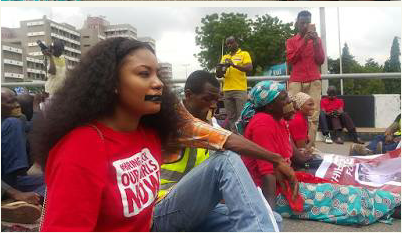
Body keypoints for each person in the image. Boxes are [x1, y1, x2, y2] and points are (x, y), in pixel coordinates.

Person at [30, 38, 297, 231]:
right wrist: (276, 159)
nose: (158, 83)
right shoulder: (80, 148)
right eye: (144, 74)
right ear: (110, 83)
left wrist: (277, 160)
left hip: (158, 220)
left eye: (158, 74)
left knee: (271, 219)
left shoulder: (151, 127)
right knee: (230, 169)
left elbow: (218, 137)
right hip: (165, 214)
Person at [237, 81, 400, 226]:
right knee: (346, 198)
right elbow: (267, 174)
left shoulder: (278, 121)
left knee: (339, 189)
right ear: (269, 105)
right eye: (283, 98)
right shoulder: (262, 123)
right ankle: (391, 206)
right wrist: (269, 218)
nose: (289, 101)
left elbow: (295, 157)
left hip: (285, 182)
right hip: (271, 193)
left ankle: (390, 204)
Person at [155, 70, 283, 231]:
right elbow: (227, 140)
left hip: (193, 206)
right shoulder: (175, 121)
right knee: (226, 157)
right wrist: (277, 159)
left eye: (217, 99)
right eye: (207, 99)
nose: (214, 105)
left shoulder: (210, 123)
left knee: (272, 220)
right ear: (188, 95)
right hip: (163, 207)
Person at [1, 87, 44, 224]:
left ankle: (15, 205)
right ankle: (13, 200)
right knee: (13, 123)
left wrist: (36, 106)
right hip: (7, 184)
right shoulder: (11, 123)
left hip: (12, 181)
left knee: (57, 179)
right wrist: (15, 193)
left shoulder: (18, 119)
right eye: (10, 102)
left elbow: (36, 127)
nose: (16, 105)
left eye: (16, 100)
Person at [286, 10, 325, 148]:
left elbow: (320, 60)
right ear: (297, 23)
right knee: (290, 112)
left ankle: (310, 150)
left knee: (313, 116)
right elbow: (291, 59)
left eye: (307, 22)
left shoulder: (317, 40)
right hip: (296, 80)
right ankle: (292, 149)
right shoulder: (290, 41)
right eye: (302, 23)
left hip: (313, 79)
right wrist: (304, 41)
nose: (305, 25)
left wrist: (315, 43)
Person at [216, 36, 252, 132]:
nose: (229, 45)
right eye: (228, 44)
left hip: (240, 89)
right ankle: (235, 137)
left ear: (237, 43)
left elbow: (249, 68)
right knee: (231, 117)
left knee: (242, 115)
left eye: (231, 42)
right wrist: (219, 69)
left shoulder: (244, 54)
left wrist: (234, 65)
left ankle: (244, 136)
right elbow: (219, 76)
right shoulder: (225, 57)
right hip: (227, 90)